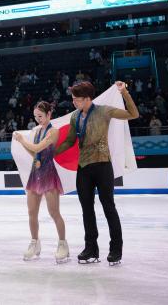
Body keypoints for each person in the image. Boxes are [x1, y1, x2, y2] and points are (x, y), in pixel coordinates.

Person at [56, 81, 138, 266]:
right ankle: (91, 248)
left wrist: (124, 92)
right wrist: (51, 153)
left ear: (87, 98)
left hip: (102, 165)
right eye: (73, 99)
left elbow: (133, 114)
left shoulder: (104, 111)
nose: (74, 102)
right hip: (83, 168)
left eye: (76, 99)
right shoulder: (75, 116)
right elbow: (70, 141)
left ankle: (116, 250)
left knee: (109, 207)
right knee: (87, 210)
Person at [13, 101, 69, 263]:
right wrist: (23, 144)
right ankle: (34, 242)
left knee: (54, 212)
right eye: (36, 116)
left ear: (49, 114)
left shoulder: (54, 132)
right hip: (35, 173)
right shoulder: (37, 132)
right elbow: (34, 153)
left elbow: (38, 148)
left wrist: (22, 140)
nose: (38, 119)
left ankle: (63, 244)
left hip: (48, 174)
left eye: (41, 116)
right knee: (32, 213)